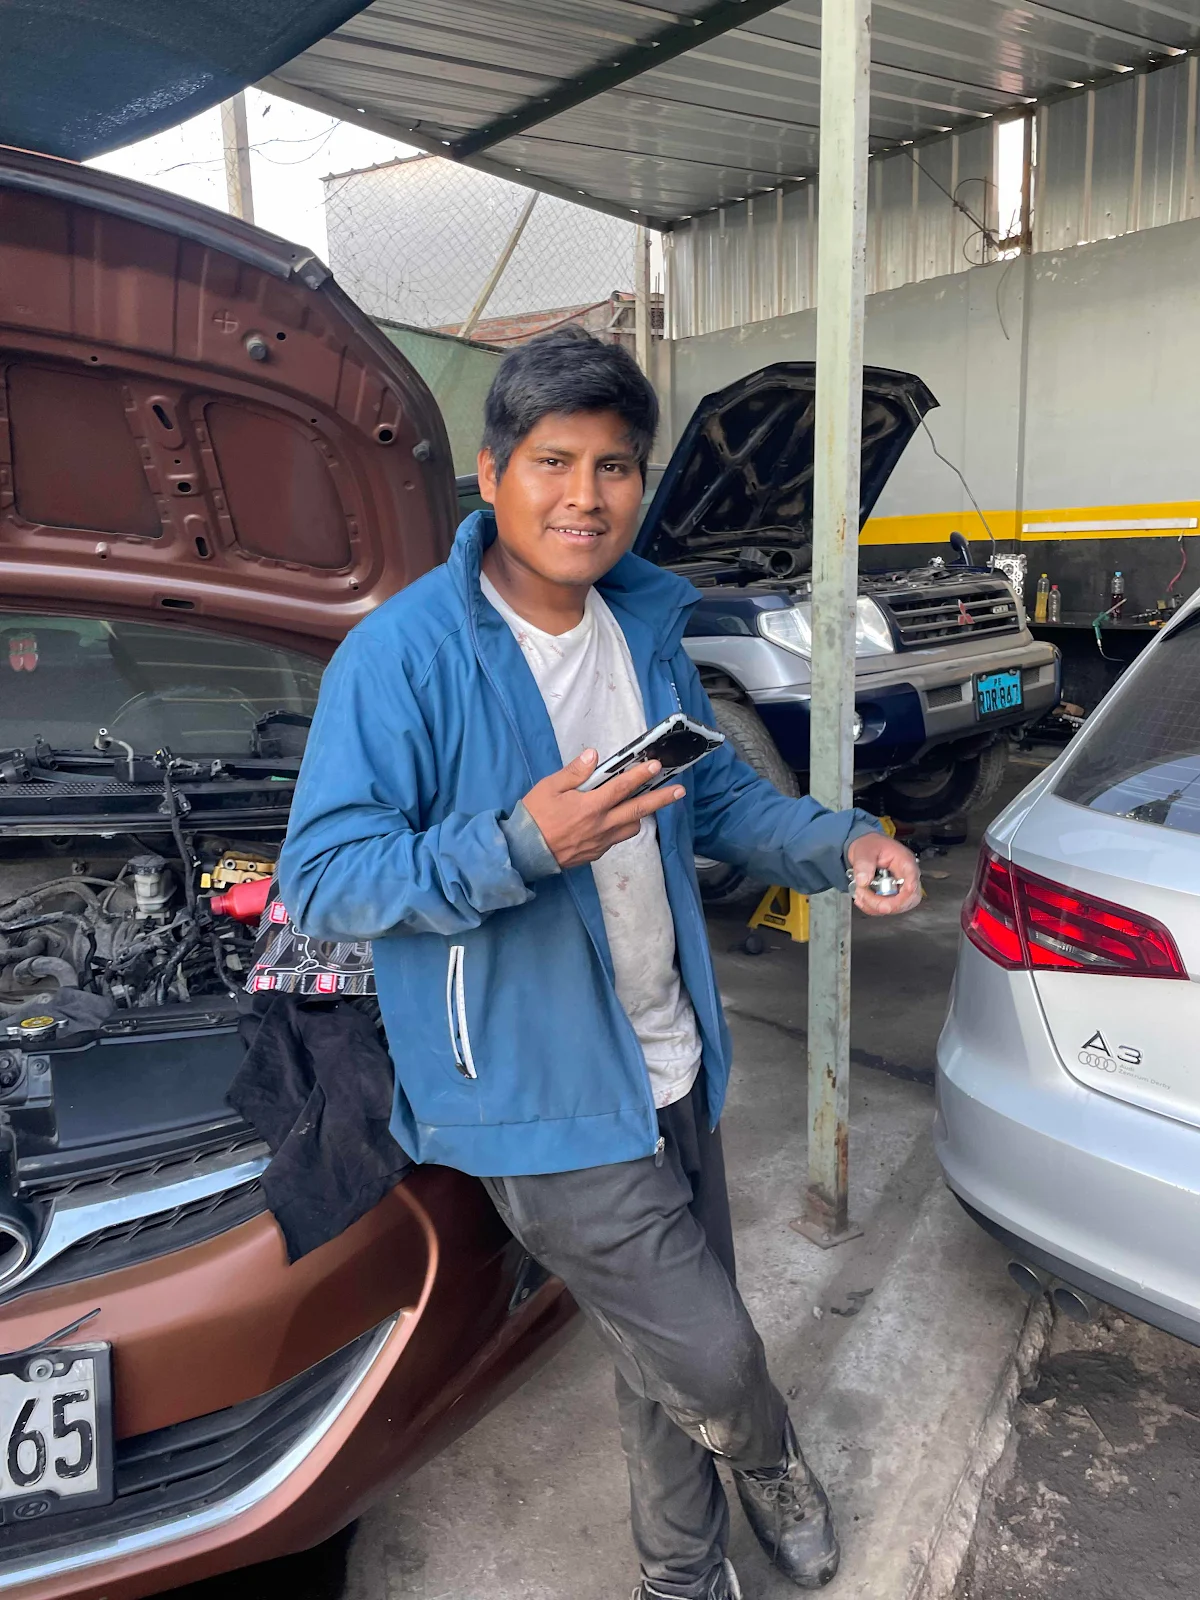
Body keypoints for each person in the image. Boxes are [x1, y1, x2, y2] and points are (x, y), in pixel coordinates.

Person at [279, 328, 921, 1599]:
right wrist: (521, 844)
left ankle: (680, 1575)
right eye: (554, 461)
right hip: (531, 1085)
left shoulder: (643, 624)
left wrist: (840, 842)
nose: (587, 496)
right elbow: (327, 875)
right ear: (492, 472)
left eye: (615, 466)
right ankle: (772, 1457)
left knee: (654, 1350)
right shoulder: (404, 655)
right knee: (710, 1351)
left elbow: (715, 796)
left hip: (670, 1050)